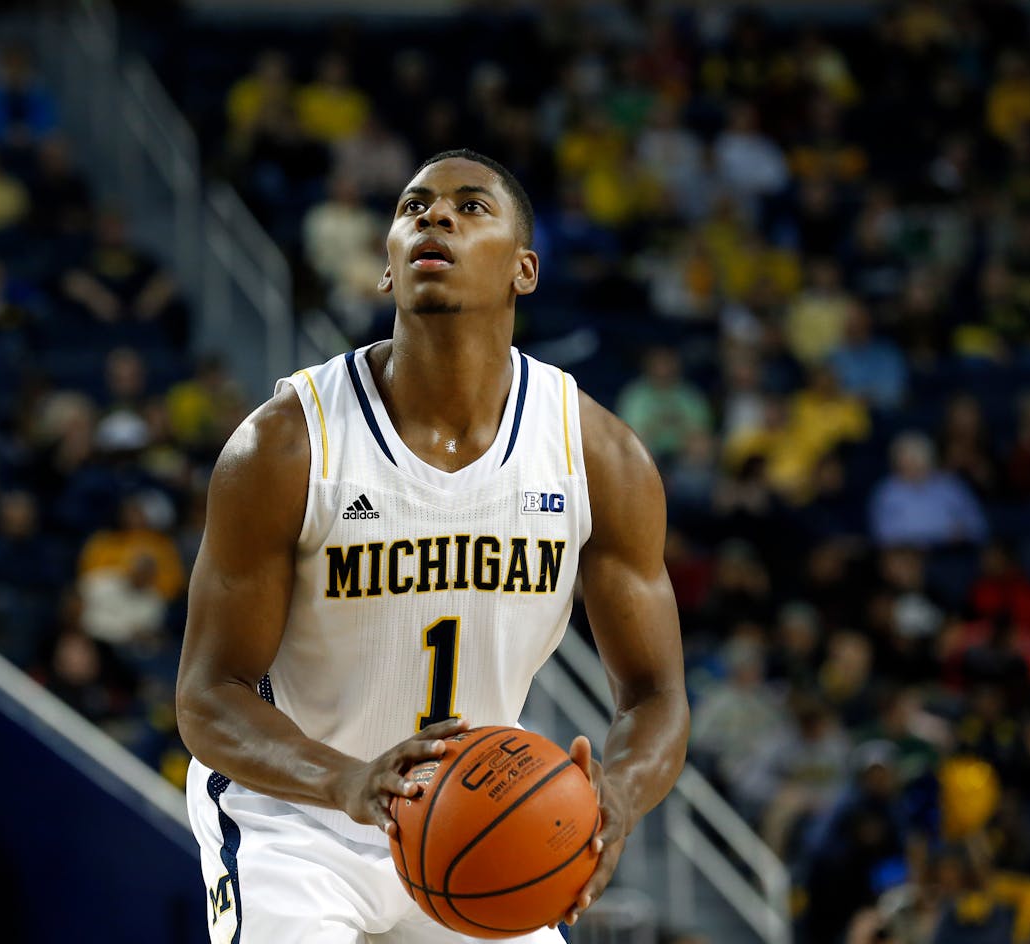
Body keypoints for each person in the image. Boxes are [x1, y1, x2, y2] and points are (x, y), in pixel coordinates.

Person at [176, 150, 688, 941]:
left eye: (470, 206)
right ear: (387, 268)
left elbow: (656, 695)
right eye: (414, 207)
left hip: (479, 814)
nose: (434, 217)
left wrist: (615, 793)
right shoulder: (284, 448)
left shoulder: (596, 454)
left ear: (525, 270)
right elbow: (209, 695)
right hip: (299, 818)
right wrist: (349, 782)